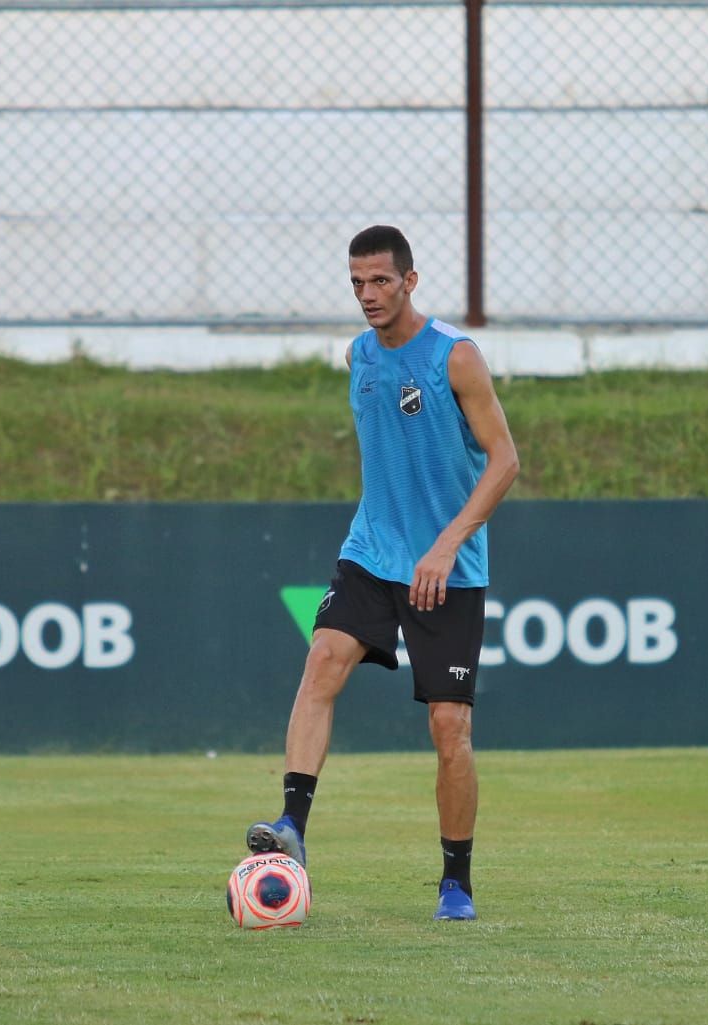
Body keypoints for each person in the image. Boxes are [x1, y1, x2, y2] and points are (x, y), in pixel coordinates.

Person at [245, 225, 520, 921]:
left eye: (379, 282)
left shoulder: (455, 358)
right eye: (356, 283)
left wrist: (447, 543)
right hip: (371, 552)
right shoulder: (358, 357)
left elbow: (505, 461)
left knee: (450, 729)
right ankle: (291, 827)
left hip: (446, 569)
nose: (367, 295)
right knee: (322, 661)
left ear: (410, 281)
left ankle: (456, 881)